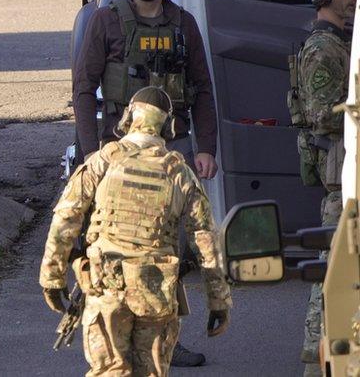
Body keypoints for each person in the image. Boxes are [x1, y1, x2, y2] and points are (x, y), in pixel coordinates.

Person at [72, 0, 217, 366]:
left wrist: (205, 147)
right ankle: (115, 334)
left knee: (173, 245)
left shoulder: (184, 25)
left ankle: (165, 337)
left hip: (173, 146)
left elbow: (203, 88)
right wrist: (89, 154)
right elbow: (84, 89)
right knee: (116, 241)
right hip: (120, 149)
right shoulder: (106, 22)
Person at [40, 86, 231, 376]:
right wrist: (218, 301)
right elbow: (205, 239)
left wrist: (52, 278)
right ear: (168, 126)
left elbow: (66, 218)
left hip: (106, 288)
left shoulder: (102, 161)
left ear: (128, 118)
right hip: (155, 292)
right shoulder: (180, 173)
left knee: (110, 371)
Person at [289, 0, 355, 374]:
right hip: (338, 168)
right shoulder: (322, 46)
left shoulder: (340, 41)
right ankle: (317, 349)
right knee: (333, 259)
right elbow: (319, 113)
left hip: (345, 164)